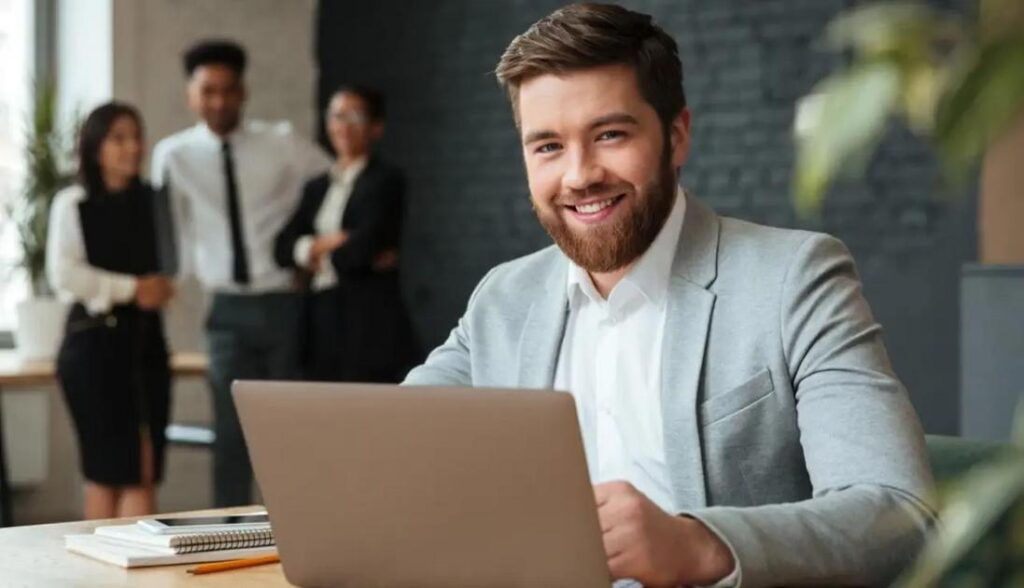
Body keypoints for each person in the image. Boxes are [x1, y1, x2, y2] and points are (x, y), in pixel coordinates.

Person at [403, 4, 936, 586]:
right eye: (548, 146)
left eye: (609, 134)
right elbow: (385, 446)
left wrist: (696, 543)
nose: (580, 175)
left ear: (676, 136)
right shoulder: (504, 298)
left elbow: (898, 515)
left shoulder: (794, 280)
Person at [151, 40, 331, 507]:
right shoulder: (173, 156)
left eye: (228, 91)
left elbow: (334, 184)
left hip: (281, 303)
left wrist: (311, 251)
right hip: (225, 309)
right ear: (191, 95)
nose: (218, 102)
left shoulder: (281, 142)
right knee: (228, 437)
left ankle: (296, 533)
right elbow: (167, 231)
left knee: (286, 432)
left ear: (243, 92)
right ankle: (227, 540)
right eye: (208, 91)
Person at [48, 102, 174, 519]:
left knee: (144, 468)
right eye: (119, 138)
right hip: (93, 346)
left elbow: (172, 269)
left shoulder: (153, 201)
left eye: (136, 137)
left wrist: (160, 288)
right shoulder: (74, 202)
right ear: (96, 146)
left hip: (145, 345)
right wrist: (131, 288)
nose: (132, 147)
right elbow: (64, 273)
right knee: (107, 470)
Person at [274, 86, 420, 383]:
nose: (343, 126)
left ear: (376, 127)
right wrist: (324, 245)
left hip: (367, 322)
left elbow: (361, 251)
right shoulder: (316, 186)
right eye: (337, 116)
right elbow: (280, 248)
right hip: (318, 320)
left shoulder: (386, 181)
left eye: (355, 116)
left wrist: (313, 256)